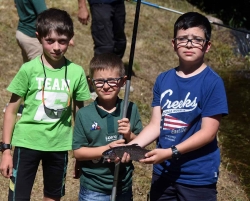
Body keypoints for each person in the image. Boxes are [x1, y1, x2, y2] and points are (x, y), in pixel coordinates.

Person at [122, 12, 229, 201]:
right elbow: (156, 125)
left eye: (197, 39)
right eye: (183, 39)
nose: (189, 44)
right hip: (164, 171)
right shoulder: (163, 79)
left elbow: (208, 133)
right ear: (173, 44)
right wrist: (129, 148)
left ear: (208, 46)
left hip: (197, 176)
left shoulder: (213, 82)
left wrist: (171, 152)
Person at [0, 8, 91, 201]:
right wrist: (6, 150)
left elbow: (80, 113)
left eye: (62, 41)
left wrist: (81, 151)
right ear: (39, 37)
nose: (56, 47)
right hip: (26, 143)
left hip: (59, 146)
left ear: (71, 38)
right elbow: (11, 110)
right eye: (50, 41)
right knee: (18, 197)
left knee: (53, 197)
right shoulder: (28, 70)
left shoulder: (76, 72)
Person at [72, 53, 143, 201]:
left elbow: (140, 145)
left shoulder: (130, 108)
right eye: (99, 82)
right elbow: (78, 152)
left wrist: (129, 135)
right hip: (94, 188)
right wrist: (107, 150)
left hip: (123, 185)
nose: (105, 86)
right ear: (91, 83)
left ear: (123, 81)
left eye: (112, 80)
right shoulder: (84, 114)